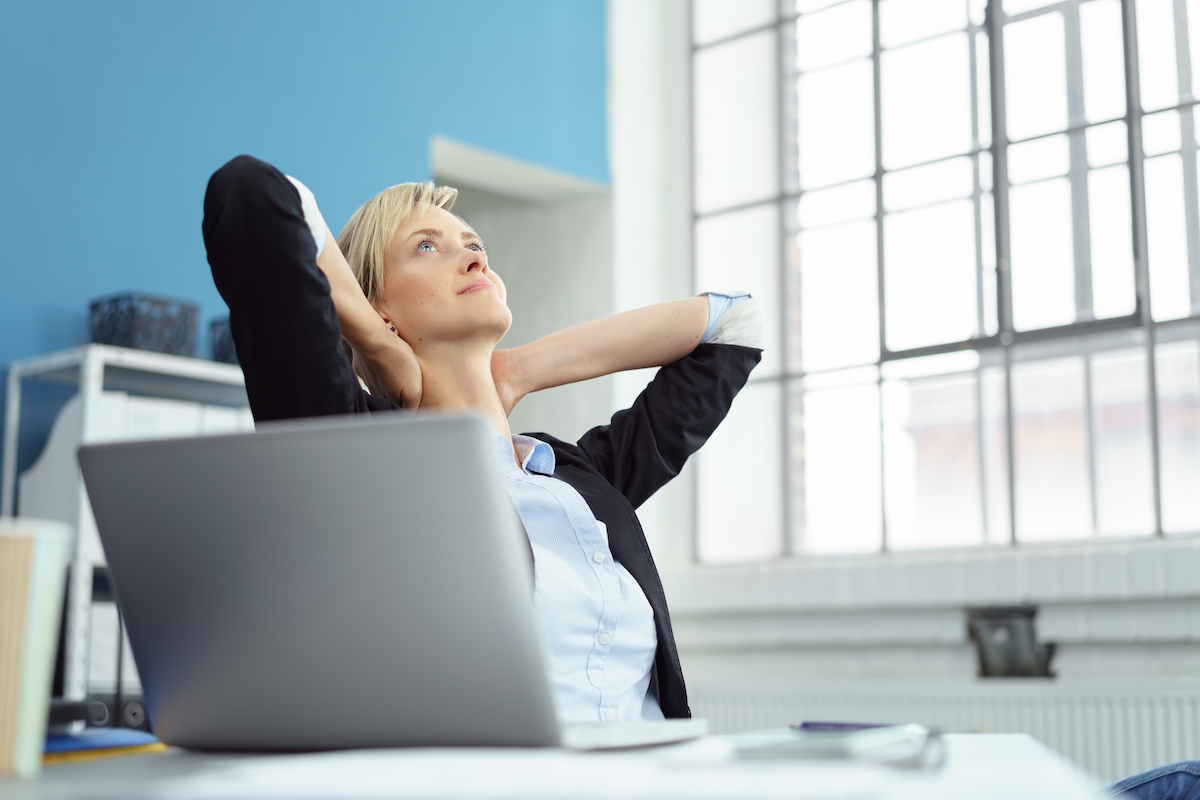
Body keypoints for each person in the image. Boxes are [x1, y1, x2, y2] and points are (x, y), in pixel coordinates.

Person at [201, 155, 762, 724]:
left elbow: (732, 327)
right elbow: (251, 194)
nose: (473, 255)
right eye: (426, 246)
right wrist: (376, 341)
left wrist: (520, 369)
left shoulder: (582, 475)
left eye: (473, 243)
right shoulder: (354, 450)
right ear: (374, 302)